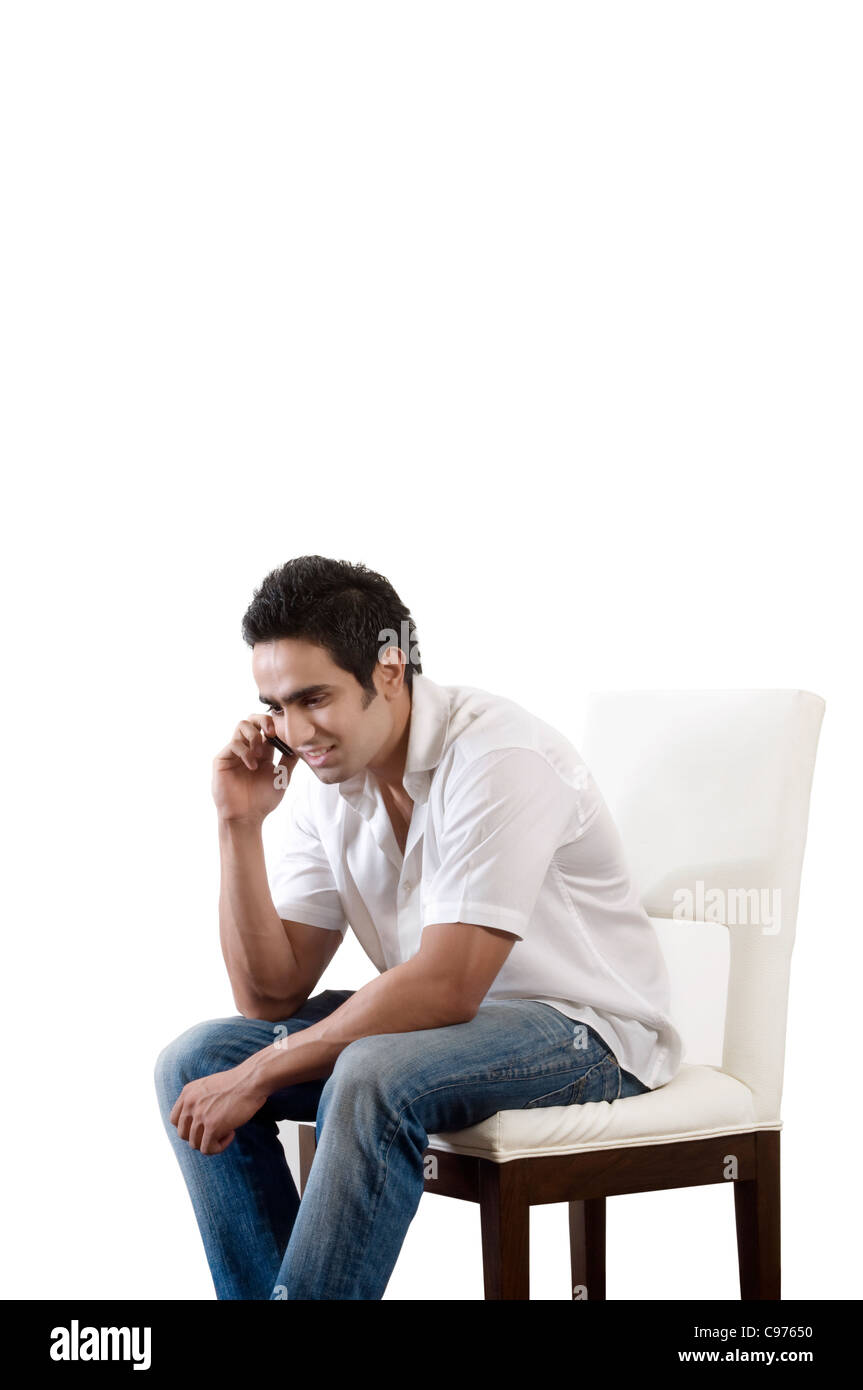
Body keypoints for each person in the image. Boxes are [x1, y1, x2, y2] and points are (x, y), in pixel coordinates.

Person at [154, 554, 683, 1300]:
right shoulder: (325, 780)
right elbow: (269, 995)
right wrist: (237, 824)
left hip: (582, 1032)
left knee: (373, 1076)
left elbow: (446, 986)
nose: (294, 732)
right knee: (196, 1061)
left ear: (390, 671)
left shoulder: (498, 756)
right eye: (274, 706)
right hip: (439, 1030)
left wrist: (264, 1070)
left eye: (313, 698)